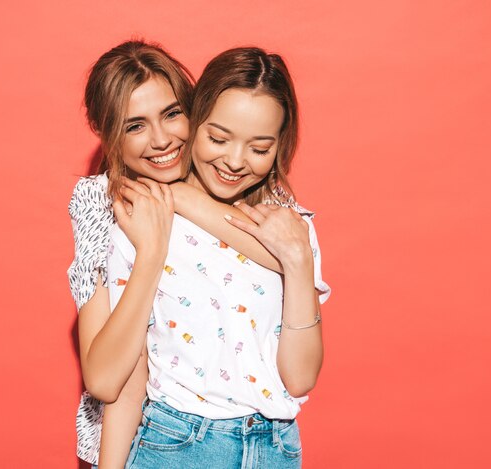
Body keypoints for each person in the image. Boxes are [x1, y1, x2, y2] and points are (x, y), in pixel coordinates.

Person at [106, 47, 330, 468]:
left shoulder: (291, 231)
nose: (233, 161)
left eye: (259, 148)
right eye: (218, 138)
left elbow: (300, 378)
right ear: (194, 121)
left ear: (279, 146)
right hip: (178, 443)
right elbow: (125, 385)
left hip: (275, 450)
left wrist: (298, 262)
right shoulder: (148, 220)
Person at [68, 40, 282, 469]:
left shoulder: (234, 170)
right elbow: (107, 381)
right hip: (144, 440)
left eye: (171, 113)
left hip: (250, 438)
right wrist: (151, 251)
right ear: (105, 130)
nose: (163, 139)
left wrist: (179, 196)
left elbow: (291, 256)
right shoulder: (99, 202)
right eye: (135, 126)